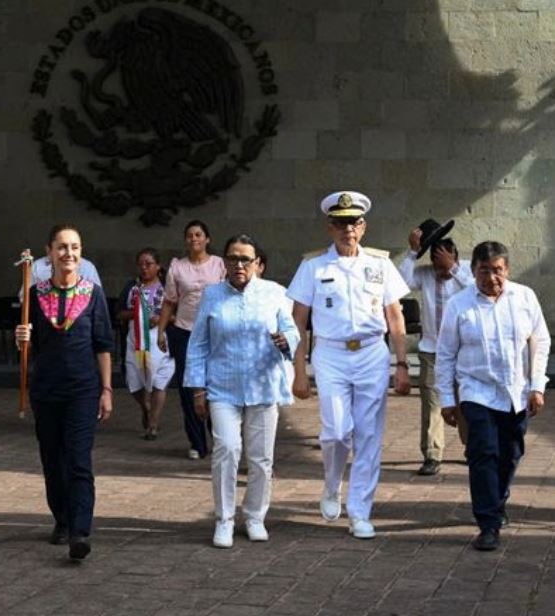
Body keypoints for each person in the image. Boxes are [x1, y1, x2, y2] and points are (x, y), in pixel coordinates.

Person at [287, 191, 410, 540]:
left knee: (369, 435)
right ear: (330, 227)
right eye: (341, 224)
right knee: (336, 431)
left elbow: (395, 316)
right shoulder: (313, 266)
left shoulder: (380, 264)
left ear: (363, 226)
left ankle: (360, 511)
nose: (348, 230)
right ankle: (331, 486)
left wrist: (401, 363)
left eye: (354, 223)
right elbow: (299, 321)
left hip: (372, 351)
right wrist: (299, 371)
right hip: (331, 354)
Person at [435, 241, 550, 551]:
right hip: (476, 391)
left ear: (507, 270)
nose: (492, 278)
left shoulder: (524, 297)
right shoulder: (459, 305)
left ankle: (497, 501)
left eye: (498, 271)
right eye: (484, 271)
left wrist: (537, 386)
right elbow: (445, 354)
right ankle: (488, 524)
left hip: (516, 391)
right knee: (483, 452)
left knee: (510, 453)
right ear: (473, 271)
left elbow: (540, 340)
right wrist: (447, 398)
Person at [185, 235, 298, 548]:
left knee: (261, 458)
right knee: (227, 449)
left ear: (257, 264)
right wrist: (197, 390)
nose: (239, 265)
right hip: (223, 387)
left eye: (245, 259)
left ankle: (255, 516)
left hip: (262, 386)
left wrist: (286, 341)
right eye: (232, 258)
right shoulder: (212, 295)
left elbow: (292, 330)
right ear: (224, 262)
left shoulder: (275, 293)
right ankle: (224, 519)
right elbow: (198, 344)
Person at [14, 223, 114, 561]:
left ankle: (80, 530)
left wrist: (106, 389)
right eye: (61, 247)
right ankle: (62, 518)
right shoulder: (35, 295)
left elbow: (102, 345)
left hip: (83, 390)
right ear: (49, 253)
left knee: (78, 460)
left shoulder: (93, 293)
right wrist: (22, 341)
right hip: (46, 390)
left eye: (74, 247)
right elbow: (34, 348)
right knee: (52, 460)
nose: (68, 254)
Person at [399, 219, 474, 476]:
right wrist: (411, 252)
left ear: (455, 256)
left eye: (445, 257)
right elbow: (401, 282)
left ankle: (472, 448)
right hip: (432, 350)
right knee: (431, 401)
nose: (439, 265)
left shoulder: (466, 270)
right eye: (435, 259)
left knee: (467, 400)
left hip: (465, 350)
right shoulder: (425, 274)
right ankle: (432, 454)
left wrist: (452, 269)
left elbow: (477, 289)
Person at [157, 219, 226, 459]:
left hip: (215, 330)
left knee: (214, 383)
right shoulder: (177, 267)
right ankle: (197, 442)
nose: (194, 239)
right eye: (190, 235)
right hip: (185, 331)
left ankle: (218, 436)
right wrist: (161, 331)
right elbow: (169, 301)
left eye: (199, 235)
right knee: (189, 386)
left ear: (207, 239)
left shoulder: (219, 265)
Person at [116, 248, 174, 440]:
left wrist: (161, 319)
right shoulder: (132, 287)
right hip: (136, 340)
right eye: (140, 264)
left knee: (159, 381)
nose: (144, 268)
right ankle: (145, 406)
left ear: (158, 267)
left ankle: (153, 426)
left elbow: (179, 316)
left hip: (160, 338)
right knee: (134, 380)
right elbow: (119, 313)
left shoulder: (167, 288)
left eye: (148, 264)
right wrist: (137, 315)